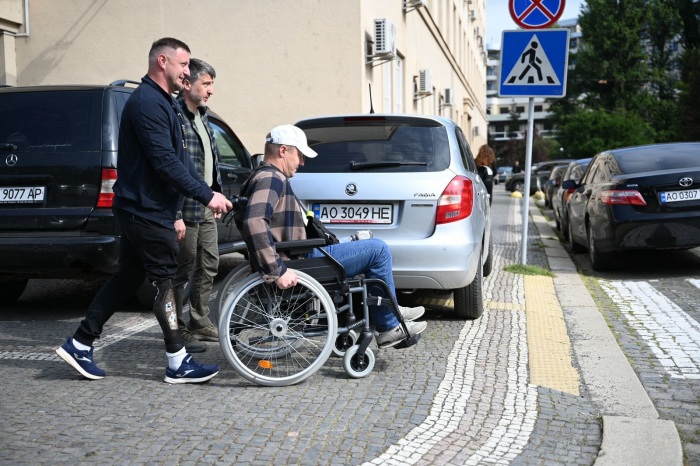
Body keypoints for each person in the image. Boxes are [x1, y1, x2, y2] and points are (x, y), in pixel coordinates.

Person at [55, 38, 232, 384]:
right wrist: (204, 196)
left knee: (128, 277)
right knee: (165, 281)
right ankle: (178, 362)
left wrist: (202, 195)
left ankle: (80, 342)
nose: (187, 72)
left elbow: (180, 160)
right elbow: (164, 162)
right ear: (162, 61)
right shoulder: (148, 103)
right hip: (145, 211)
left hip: (147, 209)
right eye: (183, 65)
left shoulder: (163, 102)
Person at [241, 124, 427, 348]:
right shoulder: (271, 178)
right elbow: (254, 221)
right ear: (283, 151)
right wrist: (276, 270)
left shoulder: (265, 176)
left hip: (300, 253)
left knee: (366, 243)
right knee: (378, 250)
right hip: (301, 261)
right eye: (299, 155)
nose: (302, 162)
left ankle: (391, 310)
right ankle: (388, 326)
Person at [172, 58, 222, 353]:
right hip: (184, 206)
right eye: (206, 84)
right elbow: (172, 168)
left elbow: (209, 162)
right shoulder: (175, 116)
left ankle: (199, 321)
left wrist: (215, 195)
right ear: (188, 83)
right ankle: (176, 328)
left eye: (212, 84)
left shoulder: (203, 115)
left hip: (205, 203)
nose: (211, 90)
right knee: (182, 268)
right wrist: (175, 213)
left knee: (210, 263)